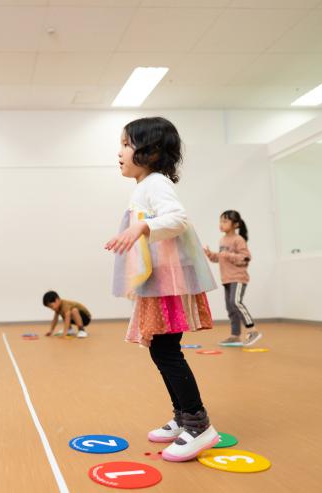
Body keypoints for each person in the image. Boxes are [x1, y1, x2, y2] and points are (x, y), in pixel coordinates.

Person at [105, 117, 219, 461]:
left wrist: (142, 227)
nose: (119, 152)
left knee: (167, 352)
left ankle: (198, 424)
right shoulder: (144, 185)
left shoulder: (156, 183)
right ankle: (183, 417)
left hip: (169, 283)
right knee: (160, 349)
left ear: (151, 152)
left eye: (126, 144)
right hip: (159, 283)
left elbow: (178, 219)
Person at [204, 210, 261, 347]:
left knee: (235, 302)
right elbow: (220, 258)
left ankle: (252, 330)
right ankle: (235, 336)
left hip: (238, 277)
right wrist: (211, 254)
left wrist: (227, 255)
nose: (221, 224)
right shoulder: (222, 240)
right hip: (227, 279)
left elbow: (246, 257)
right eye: (220, 221)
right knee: (230, 307)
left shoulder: (238, 239)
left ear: (235, 224)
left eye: (225, 221)